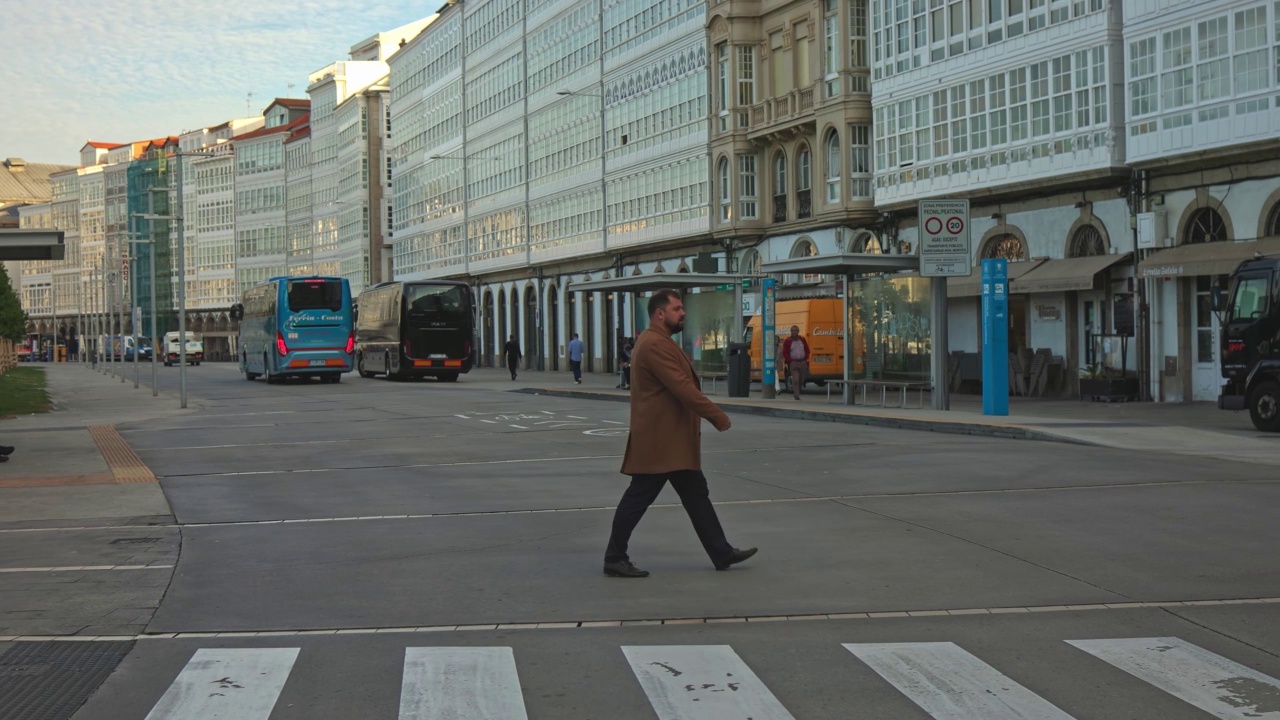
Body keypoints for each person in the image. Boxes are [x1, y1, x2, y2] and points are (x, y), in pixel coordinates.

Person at [602, 289, 757, 578]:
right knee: (638, 497)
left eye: (682, 308)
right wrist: (716, 416)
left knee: (696, 494)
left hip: (670, 440)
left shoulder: (660, 342)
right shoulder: (654, 345)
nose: (683, 312)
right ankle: (614, 557)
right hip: (661, 442)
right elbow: (682, 386)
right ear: (660, 314)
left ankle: (721, 552)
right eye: (676, 309)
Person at [781, 325, 810, 400]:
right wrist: (790, 360)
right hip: (793, 362)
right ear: (791, 332)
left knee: (801, 379)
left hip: (802, 362)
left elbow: (807, 349)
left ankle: (798, 391)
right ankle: (796, 395)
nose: (794, 332)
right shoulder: (788, 341)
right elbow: (785, 352)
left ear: (798, 331)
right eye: (792, 330)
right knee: (796, 379)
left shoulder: (802, 339)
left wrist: (805, 358)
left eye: (795, 330)